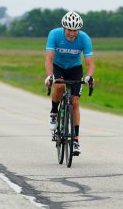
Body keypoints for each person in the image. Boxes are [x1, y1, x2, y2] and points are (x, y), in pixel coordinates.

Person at [45, 11, 95, 155]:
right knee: (59, 86)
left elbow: (90, 63)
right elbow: (49, 58)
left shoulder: (84, 38)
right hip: (58, 66)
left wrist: (89, 76)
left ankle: (75, 140)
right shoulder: (54, 34)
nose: (72, 33)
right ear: (63, 28)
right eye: (69, 30)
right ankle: (54, 111)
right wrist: (49, 76)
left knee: (75, 101)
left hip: (75, 68)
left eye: (75, 30)